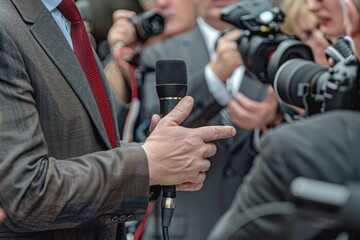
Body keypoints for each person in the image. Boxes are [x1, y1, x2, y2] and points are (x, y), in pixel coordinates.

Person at [0, 0, 236, 239]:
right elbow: (24, 191)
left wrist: (155, 157)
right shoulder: (7, 25)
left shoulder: (66, 21)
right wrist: (146, 163)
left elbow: (83, 149)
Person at [207, 0, 360, 239]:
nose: (320, 39)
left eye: (320, 29)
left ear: (350, 17)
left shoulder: (292, 149)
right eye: (306, 34)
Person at [139, 0, 281, 239]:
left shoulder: (280, 49)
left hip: (261, 226)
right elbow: (154, 127)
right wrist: (213, 76)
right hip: (183, 229)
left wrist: (273, 120)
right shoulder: (162, 51)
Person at [103, 0, 198, 142]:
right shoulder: (136, 53)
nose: (161, 3)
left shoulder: (222, 45)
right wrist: (121, 56)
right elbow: (103, 121)